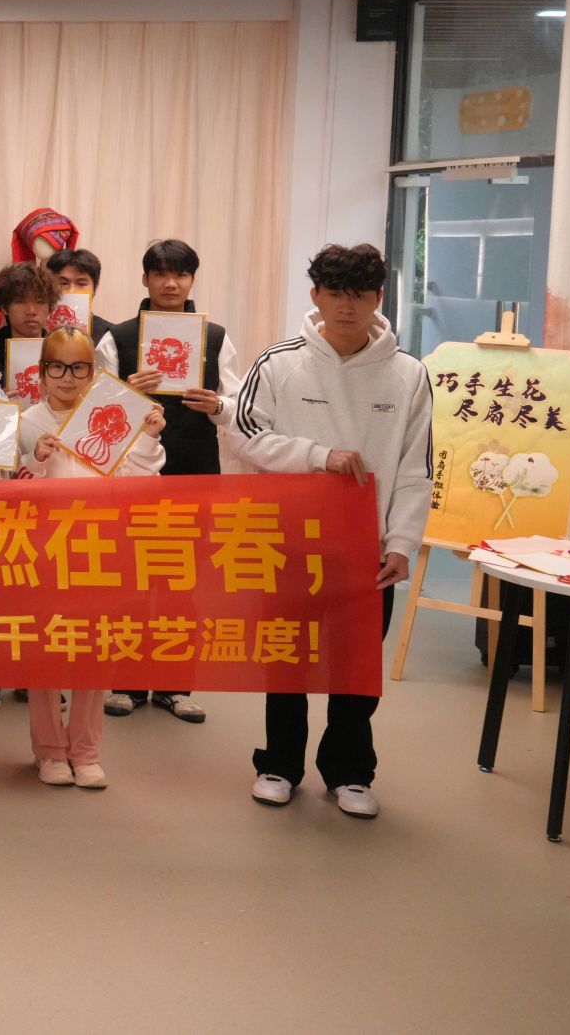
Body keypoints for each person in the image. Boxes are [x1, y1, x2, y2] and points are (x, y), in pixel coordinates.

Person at [230, 244, 430, 821]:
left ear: (378, 299)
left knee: (356, 665)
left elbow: (416, 468)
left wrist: (403, 544)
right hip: (288, 543)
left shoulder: (409, 374)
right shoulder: (279, 362)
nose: (347, 306)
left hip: (368, 551)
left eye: (360, 295)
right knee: (287, 657)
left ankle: (349, 772)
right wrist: (319, 455)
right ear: (315, 295)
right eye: (336, 293)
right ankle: (278, 764)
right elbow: (243, 434)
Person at [96, 238, 245, 724]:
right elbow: (94, 414)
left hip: (195, 470)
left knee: (183, 582)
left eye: (180, 274)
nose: (170, 283)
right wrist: (125, 393)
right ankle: (126, 683)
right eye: (160, 273)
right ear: (145, 279)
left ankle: (176, 686)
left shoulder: (216, 337)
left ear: (192, 280)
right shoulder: (117, 339)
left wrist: (217, 406)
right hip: (133, 475)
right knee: (131, 579)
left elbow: (239, 408)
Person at [17, 327, 166, 790]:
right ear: (41, 372)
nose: (67, 377)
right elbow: (8, 488)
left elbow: (143, 481)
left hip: (99, 550)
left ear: (93, 372)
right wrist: (35, 459)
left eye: (78, 367)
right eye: (57, 367)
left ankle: (85, 750)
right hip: (44, 554)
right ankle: (49, 750)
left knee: (95, 653)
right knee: (46, 653)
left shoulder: (113, 414)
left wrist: (147, 437)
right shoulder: (26, 420)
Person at [0, 261, 59, 380]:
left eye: (40, 301)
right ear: (4, 308)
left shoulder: (61, 355)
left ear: (50, 307)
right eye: (20, 302)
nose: (31, 310)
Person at [45, 247, 118, 345]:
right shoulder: (37, 330)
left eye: (81, 283)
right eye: (63, 283)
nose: (71, 290)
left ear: (95, 287)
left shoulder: (109, 335)